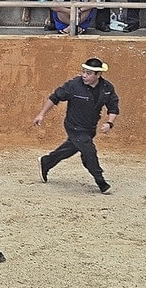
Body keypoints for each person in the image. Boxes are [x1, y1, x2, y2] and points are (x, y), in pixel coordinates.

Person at [34, 58, 119, 194]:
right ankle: (101, 181)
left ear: (98, 75)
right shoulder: (73, 85)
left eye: (89, 73)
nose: (84, 75)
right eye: (84, 72)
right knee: (88, 151)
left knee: (72, 147)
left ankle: (47, 162)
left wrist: (110, 123)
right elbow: (54, 97)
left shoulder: (107, 88)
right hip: (74, 126)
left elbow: (113, 107)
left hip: (89, 128)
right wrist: (41, 114)